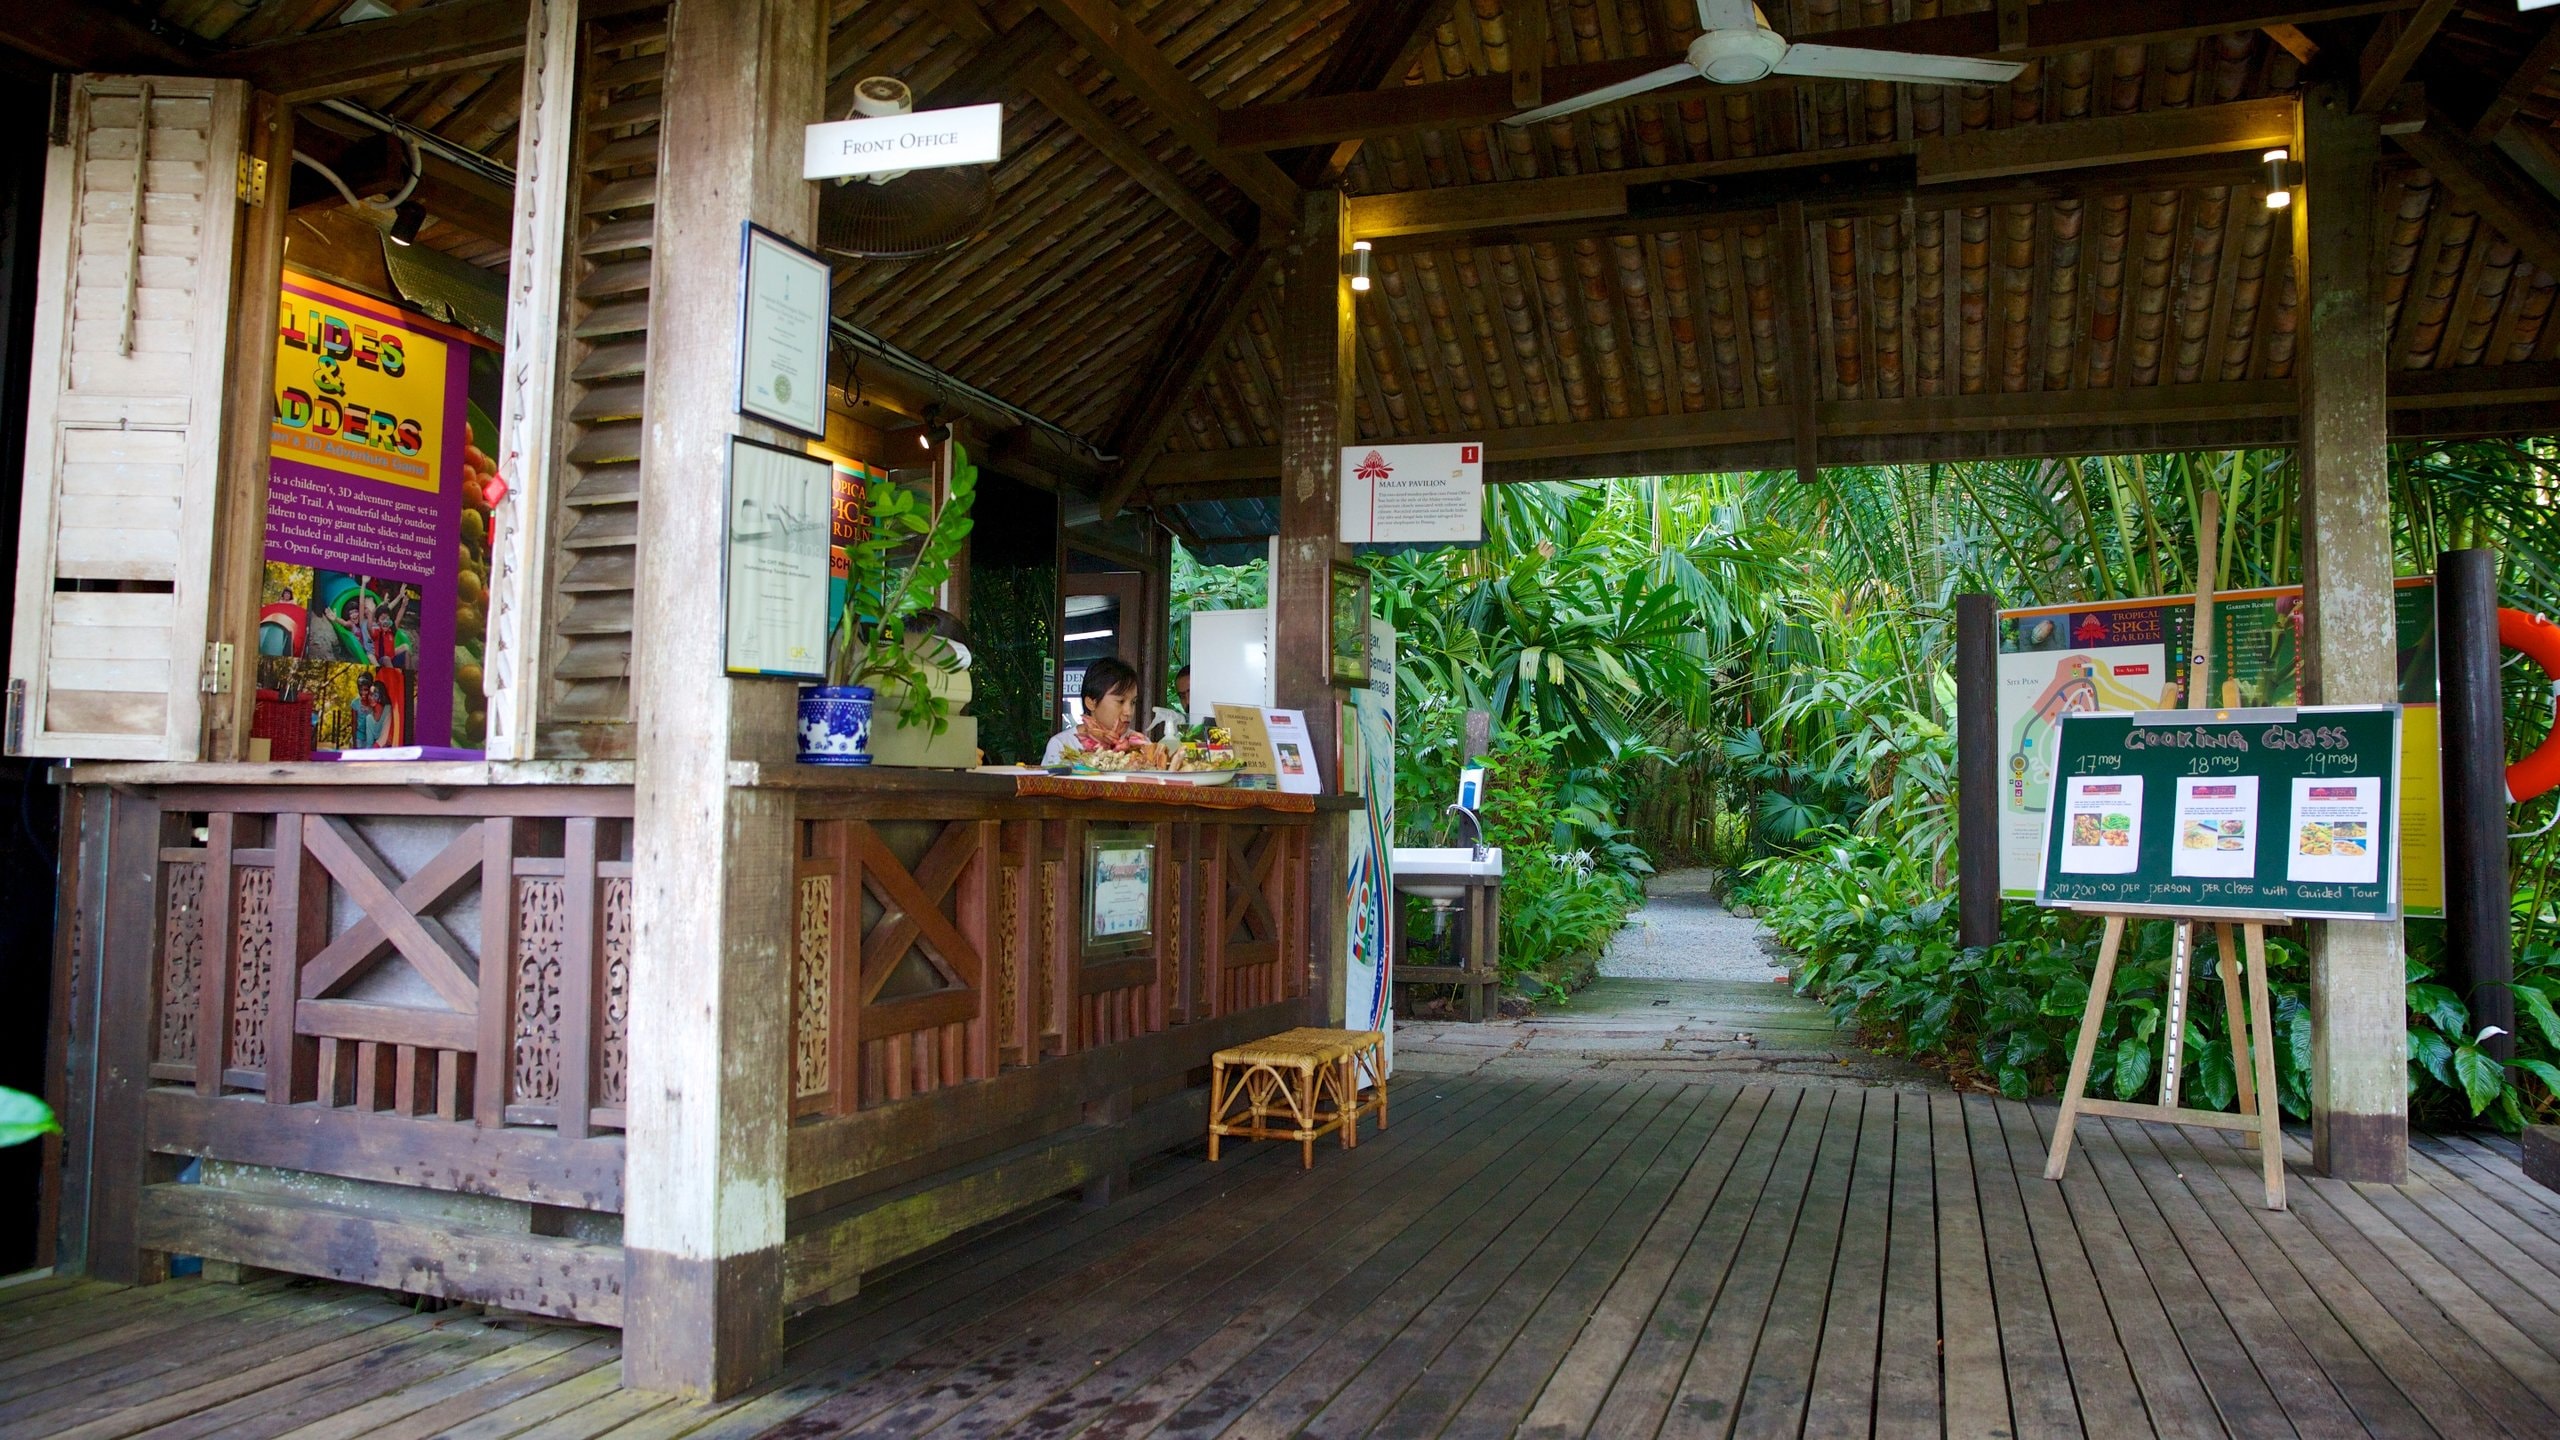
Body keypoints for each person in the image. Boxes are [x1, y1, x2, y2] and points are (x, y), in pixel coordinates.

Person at [1043, 656, 1142, 765]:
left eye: (1133, 702)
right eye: (1121, 701)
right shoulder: (1061, 745)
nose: (1129, 712)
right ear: (1091, 703)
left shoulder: (1140, 745)